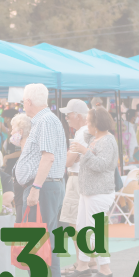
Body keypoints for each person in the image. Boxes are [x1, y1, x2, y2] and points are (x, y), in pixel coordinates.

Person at [13, 83, 68, 277]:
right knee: (49, 241)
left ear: (28, 102)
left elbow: (47, 158)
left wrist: (35, 188)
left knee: (38, 240)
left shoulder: (44, 121)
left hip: (43, 187)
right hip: (51, 186)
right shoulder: (50, 120)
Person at [66, 109, 119, 277]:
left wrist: (85, 152)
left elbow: (102, 165)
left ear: (98, 124)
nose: (86, 124)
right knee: (82, 228)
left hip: (99, 191)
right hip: (89, 191)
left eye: (89, 122)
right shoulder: (96, 138)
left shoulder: (107, 141)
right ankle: (83, 265)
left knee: (94, 232)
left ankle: (105, 269)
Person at [60, 99, 90, 231]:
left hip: (76, 179)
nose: (66, 118)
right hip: (84, 178)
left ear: (78, 115)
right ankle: (87, 251)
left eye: (68, 114)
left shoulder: (82, 133)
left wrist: (68, 156)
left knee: (75, 222)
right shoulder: (88, 131)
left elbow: (68, 161)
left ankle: (81, 252)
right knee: (84, 221)